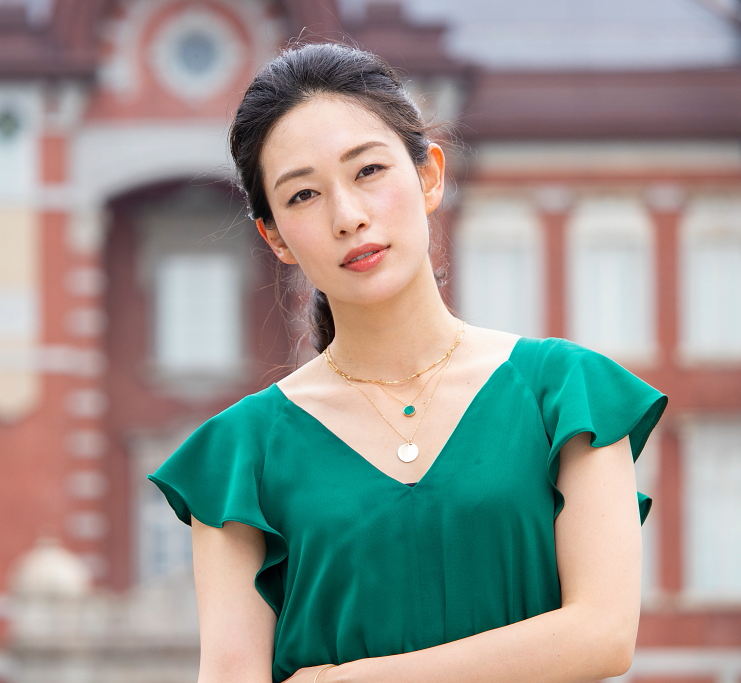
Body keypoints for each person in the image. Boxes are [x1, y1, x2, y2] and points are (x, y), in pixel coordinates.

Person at [147, 42, 668, 683]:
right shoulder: (239, 455)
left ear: (428, 176)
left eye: (368, 171)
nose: (349, 216)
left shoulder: (563, 395)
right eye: (304, 195)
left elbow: (603, 634)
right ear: (275, 235)